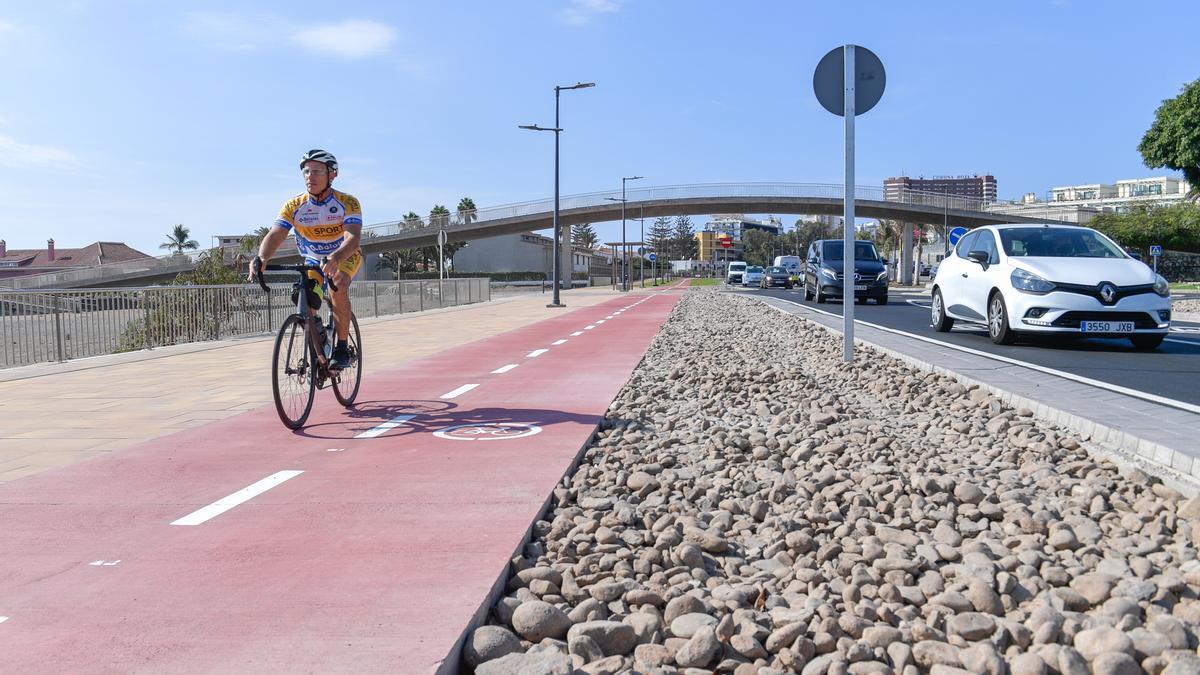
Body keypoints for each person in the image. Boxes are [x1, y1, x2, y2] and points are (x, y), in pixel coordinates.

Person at [249, 149, 362, 369]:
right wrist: (262, 257)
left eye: (318, 171)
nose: (310, 176)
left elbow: (353, 237)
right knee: (303, 299)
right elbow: (276, 234)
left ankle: (341, 348)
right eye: (307, 171)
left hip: (344, 254)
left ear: (332, 175)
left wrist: (336, 257)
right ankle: (318, 333)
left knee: (337, 285)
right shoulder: (294, 206)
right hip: (313, 259)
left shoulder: (347, 202)